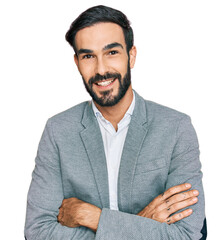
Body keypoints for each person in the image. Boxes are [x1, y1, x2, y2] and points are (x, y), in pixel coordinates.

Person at [24, 5, 206, 239]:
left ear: (131, 55)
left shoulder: (176, 128)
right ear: (77, 63)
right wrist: (140, 225)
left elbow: (186, 234)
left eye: (112, 52)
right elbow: (37, 231)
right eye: (88, 56)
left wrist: (93, 217)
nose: (101, 69)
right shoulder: (57, 131)